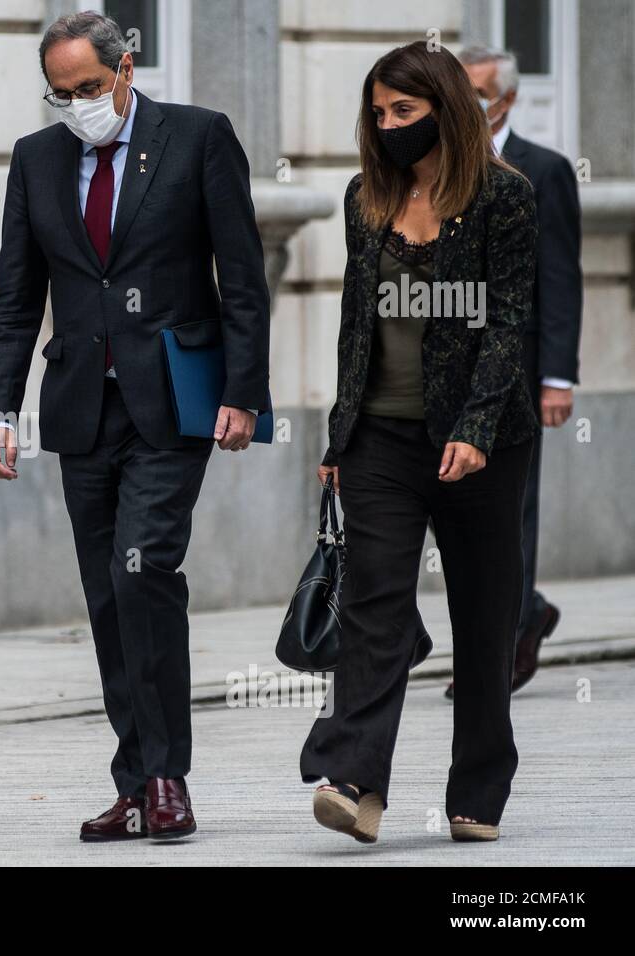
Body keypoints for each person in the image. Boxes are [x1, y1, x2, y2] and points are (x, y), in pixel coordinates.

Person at [0, 12, 270, 842]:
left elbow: (242, 277)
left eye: (89, 88)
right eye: (60, 94)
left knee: (145, 570)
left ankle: (168, 775)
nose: (77, 106)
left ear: (126, 68)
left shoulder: (198, 138)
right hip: (80, 405)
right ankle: (135, 779)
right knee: (107, 592)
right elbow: (14, 294)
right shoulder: (37, 159)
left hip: (172, 401)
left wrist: (244, 390)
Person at [301, 41, 537, 844]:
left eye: (405, 110)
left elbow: (509, 323)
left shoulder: (505, 199)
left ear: (443, 105)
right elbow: (354, 326)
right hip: (381, 439)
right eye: (379, 113)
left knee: (483, 614)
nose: (390, 125)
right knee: (373, 603)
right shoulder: (363, 197)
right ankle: (355, 779)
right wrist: (340, 433)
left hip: (484, 444)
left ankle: (478, 791)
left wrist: (474, 428)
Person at [443, 46, 583, 699]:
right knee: (453, 507)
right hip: (446, 368)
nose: (465, 102)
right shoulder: (432, 166)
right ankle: (523, 612)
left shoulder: (545, 170)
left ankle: (498, 649)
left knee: (509, 505)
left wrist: (557, 375)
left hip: (518, 367)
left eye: (477, 91)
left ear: (508, 99)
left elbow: (559, 276)